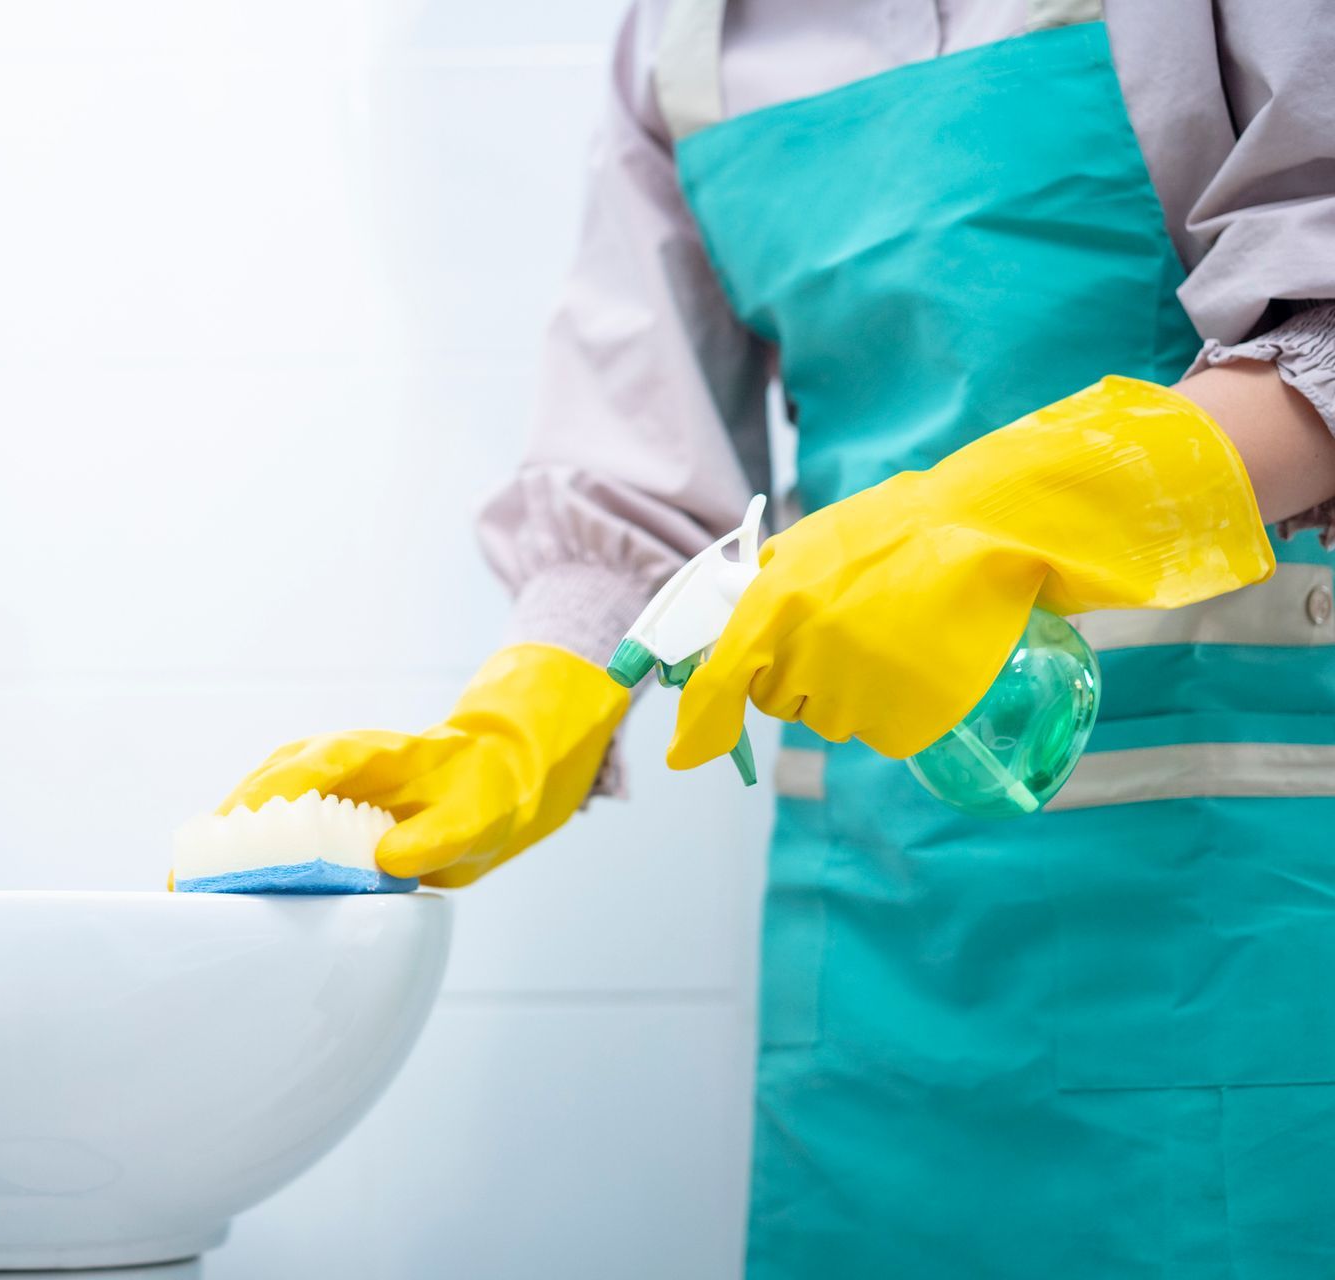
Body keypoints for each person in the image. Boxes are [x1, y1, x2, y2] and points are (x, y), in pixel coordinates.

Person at [224, 2, 1335, 1274]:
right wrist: (528, 706)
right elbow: (634, 470)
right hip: (886, 920)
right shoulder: (680, 47)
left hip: (1250, 906)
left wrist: (1022, 510)